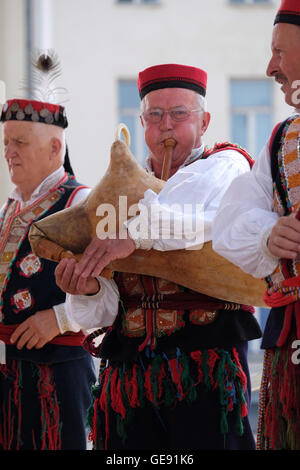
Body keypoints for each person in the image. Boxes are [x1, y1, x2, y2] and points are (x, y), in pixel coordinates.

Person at [55, 64, 261, 450]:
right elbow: (100, 315)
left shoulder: (225, 165)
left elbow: (193, 217)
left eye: (180, 114)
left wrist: (129, 235)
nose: (166, 125)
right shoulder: (116, 189)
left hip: (204, 370)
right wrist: (85, 288)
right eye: (155, 114)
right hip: (128, 377)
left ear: (205, 121)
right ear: (142, 121)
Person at [212, 0, 300, 450]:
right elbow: (230, 223)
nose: (271, 67)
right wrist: (268, 233)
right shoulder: (282, 138)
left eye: (280, 53)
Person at [0, 56, 96, 450]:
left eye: (20, 143)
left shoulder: (83, 203)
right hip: (10, 375)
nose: (9, 152)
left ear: (56, 147)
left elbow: (118, 288)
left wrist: (59, 319)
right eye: (6, 143)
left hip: (58, 375)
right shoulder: (10, 207)